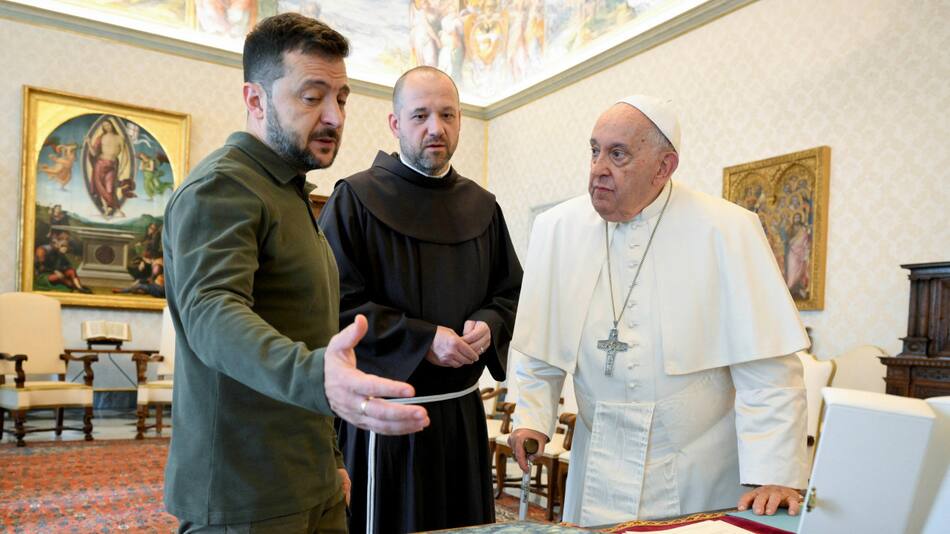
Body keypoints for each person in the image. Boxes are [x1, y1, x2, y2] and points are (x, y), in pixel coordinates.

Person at [162, 14, 429, 533]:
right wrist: (318, 380)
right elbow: (211, 312)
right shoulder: (224, 188)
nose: (334, 116)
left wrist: (329, 458)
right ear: (256, 100)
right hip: (245, 497)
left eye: (343, 98)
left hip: (311, 484)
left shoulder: (289, 192)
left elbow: (313, 338)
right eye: (312, 97)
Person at [508, 95, 810, 527]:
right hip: (597, 456)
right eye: (594, 150)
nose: (598, 168)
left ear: (664, 166)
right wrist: (532, 418)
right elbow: (540, 349)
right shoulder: (557, 229)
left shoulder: (727, 229)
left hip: (694, 464)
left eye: (618, 154)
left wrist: (773, 473)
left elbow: (768, 367)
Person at [318, 66, 523, 533]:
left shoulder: (483, 206)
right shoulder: (355, 198)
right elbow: (335, 304)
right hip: (386, 419)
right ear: (395, 124)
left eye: (448, 115)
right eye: (421, 115)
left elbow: (509, 290)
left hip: (460, 416)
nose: (437, 128)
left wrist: (490, 322)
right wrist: (424, 338)